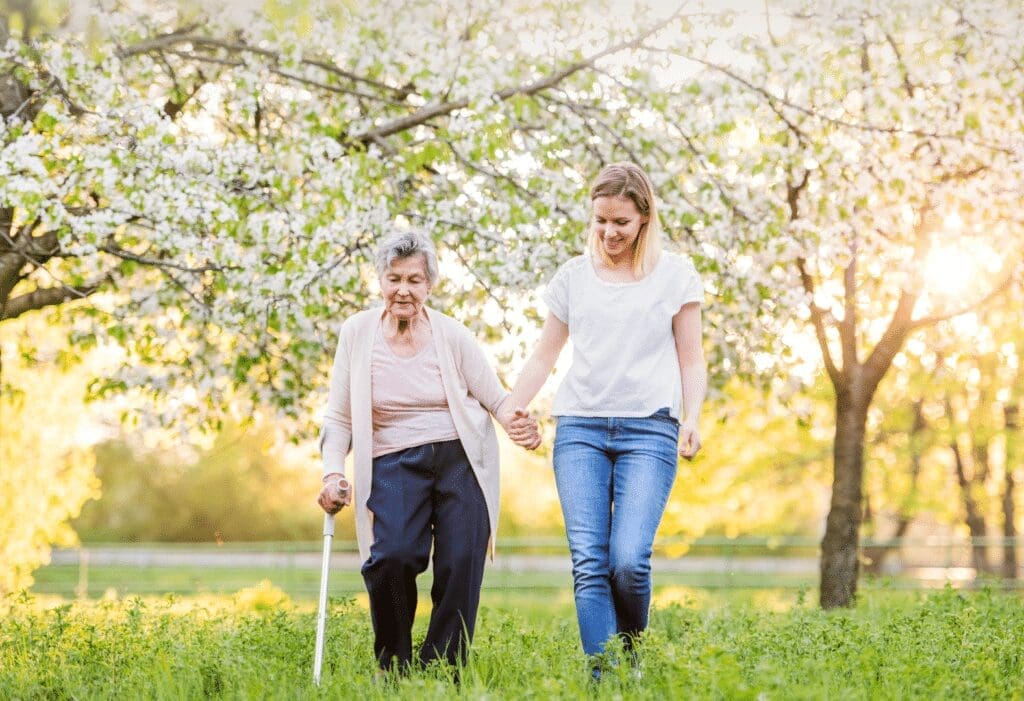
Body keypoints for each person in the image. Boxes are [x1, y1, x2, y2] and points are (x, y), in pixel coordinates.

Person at [507, 162, 707, 676]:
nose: (609, 233)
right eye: (600, 221)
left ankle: (630, 657)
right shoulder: (573, 277)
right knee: (590, 563)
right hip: (580, 429)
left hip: (650, 428)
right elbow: (543, 355)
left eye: (620, 222)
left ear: (644, 217)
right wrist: (512, 405)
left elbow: (691, 358)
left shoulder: (675, 275)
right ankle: (605, 679)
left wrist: (693, 417)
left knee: (629, 560)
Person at [317, 229, 539, 674]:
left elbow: (496, 398)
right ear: (380, 281)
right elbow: (339, 417)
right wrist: (330, 473)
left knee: (461, 562)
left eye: (414, 280)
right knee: (393, 557)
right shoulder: (358, 334)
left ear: (429, 285)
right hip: (394, 461)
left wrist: (518, 423)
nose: (403, 290)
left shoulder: (452, 335)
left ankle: (443, 669)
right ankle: (393, 666)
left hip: (460, 458)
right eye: (394, 278)